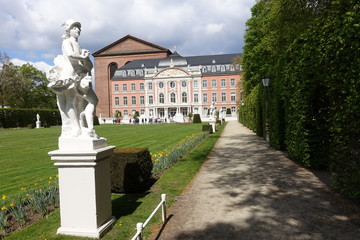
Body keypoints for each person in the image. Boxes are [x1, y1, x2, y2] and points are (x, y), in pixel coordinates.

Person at [48, 20, 98, 138]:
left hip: (79, 74)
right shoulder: (67, 41)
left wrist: (85, 58)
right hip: (69, 74)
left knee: (86, 101)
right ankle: (75, 128)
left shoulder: (78, 44)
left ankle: (84, 125)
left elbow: (84, 62)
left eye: (78, 28)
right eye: (74, 28)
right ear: (69, 30)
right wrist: (82, 56)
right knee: (71, 100)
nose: (78, 30)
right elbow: (70, 54)